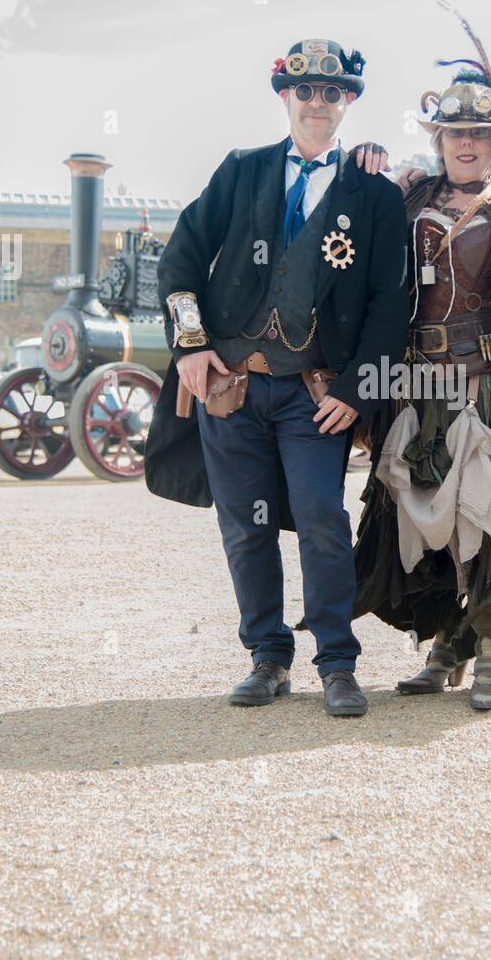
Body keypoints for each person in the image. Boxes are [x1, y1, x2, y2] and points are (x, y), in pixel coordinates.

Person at [145, 38, 409, 717]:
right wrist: (190, 347)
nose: (317, 102)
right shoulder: (239, 171)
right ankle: (267, 657)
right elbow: (179, 264)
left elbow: (391, 305)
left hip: (316, 394)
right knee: (244, 525)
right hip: (229, 390)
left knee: (323, 518)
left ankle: (336, 663)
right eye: (305, 90)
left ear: (348, 101)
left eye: (332, 92)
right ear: (285, 97)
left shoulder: (375, 194)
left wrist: (358, 389)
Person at [354, 66, 491, 710]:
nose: (466, 144)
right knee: (425, 513)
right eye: (455, 133)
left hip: (486, 381)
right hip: (416, 381)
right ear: (439, 140)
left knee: (486, 514)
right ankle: (449, 643)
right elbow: (357, 224)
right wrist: (363, 162)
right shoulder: (410, 194)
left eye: (480, 133)